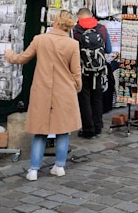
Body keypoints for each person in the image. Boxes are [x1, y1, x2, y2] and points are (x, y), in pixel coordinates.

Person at [4, 10, 82, 181]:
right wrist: (76, 88)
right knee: (63, 130)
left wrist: (10, 56)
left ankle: (33, 170)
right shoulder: (73, 44)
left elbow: (23, 58)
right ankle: (59, 166)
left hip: (43, 90)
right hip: (65, 91)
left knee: (40, 131)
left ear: (56, 22)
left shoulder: (40, 40)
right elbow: (76, 72)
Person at [72, 8, 112, 139]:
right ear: (91, 16)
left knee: (84, 99)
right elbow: (108, 49)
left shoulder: (75, 31)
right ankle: (98, 126)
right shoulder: (102, 29)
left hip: (82, 69)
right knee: (97, 98)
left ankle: (88, 129)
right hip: (99, 69)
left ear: (79, 17)